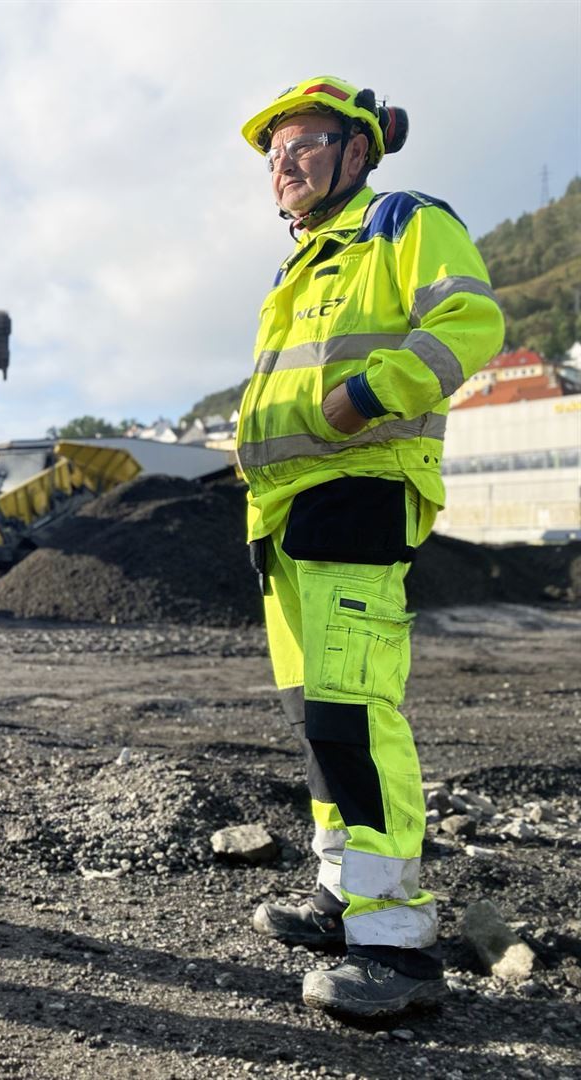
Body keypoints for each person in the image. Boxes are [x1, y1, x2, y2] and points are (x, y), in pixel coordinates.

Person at [236, 77, 504, 1017]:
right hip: (288, 512)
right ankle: (343, 893)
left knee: (357, 716)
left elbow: (471, 322)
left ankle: (397, 943)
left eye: (304, 142)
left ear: (356, 151)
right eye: (275, 151)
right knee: (319, 720)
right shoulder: (301, 265)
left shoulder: (400, 221)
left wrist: (373, 391)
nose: (285, 162)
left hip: (359, 494)